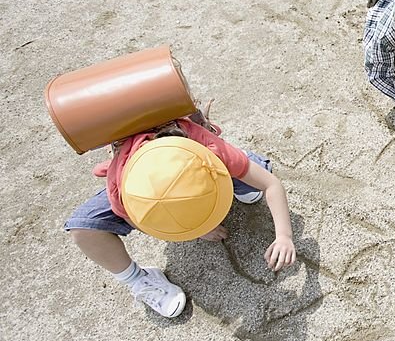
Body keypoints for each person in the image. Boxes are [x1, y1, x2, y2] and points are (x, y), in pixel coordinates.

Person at [65, 113, 297, 318]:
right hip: (137, 174)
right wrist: (196, 230)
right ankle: (137, 279)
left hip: (200, 150)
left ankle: (238, 180)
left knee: (256, 175)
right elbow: (136, 219)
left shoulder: (208, 149)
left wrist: (284, 236)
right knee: (83, 228)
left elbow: (271, 185)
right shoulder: (124, 189)